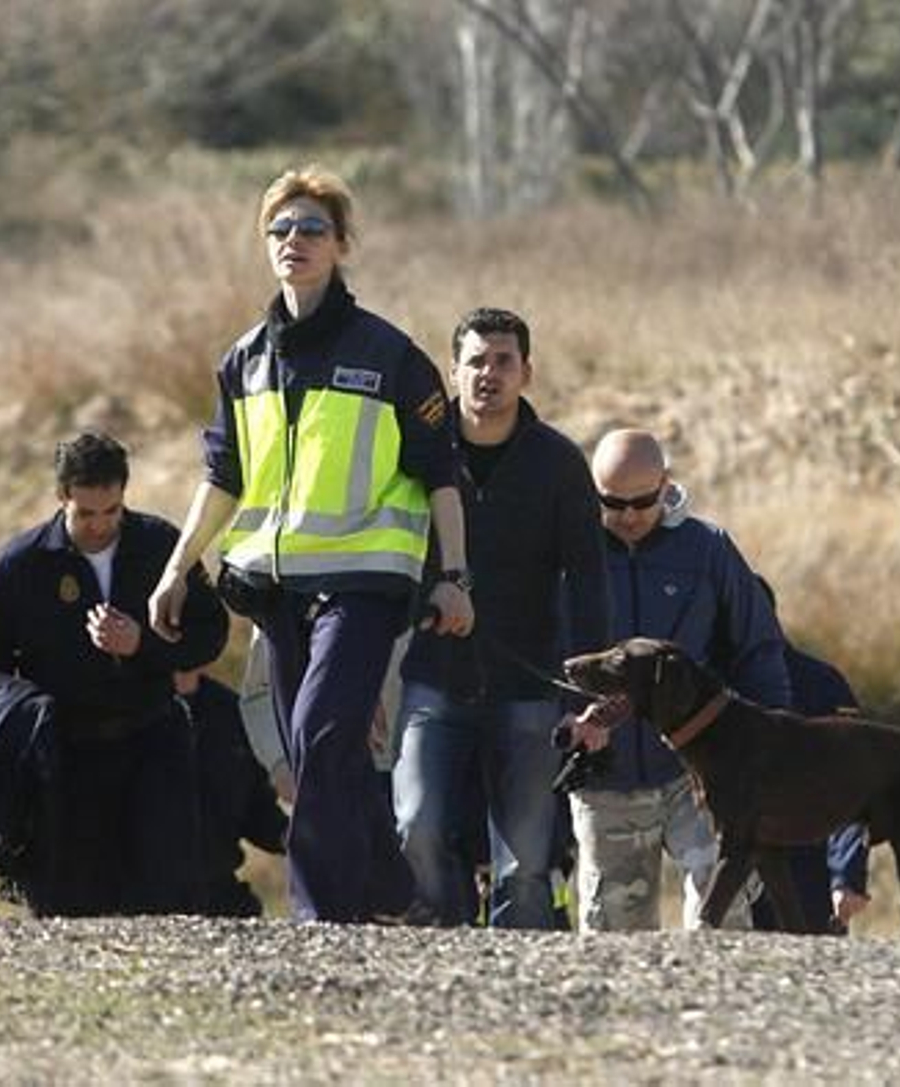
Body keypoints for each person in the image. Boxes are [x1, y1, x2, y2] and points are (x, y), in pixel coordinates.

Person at [148, 165, 474, 924]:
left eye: (311, 228)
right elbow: (223, 476)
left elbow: (441, 474)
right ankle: (394, 894)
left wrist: (453, 576)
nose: (294, 240)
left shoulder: (390, 354)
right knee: (312, 752)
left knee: (324, 731)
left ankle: (321, 918)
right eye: (280, 229)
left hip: (367, 582)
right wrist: (176, 568)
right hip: (276, 588)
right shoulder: (243, 360)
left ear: (342, 245)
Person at [393, 307, 611, 929]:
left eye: (503, 361)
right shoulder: (416, 458)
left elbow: (589, 581)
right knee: (417, 826)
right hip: (432, 677)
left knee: (527, 863)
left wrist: (589, 696)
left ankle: (527, 995)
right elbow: (391, 561)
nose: (489, 374)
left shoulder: (559, 463)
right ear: (452, 372)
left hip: (530, 687)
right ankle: (441, 958)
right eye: (476, 362)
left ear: (526, 372)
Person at [0, 432, 229, 916]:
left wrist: (142, 646)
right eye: (85, 513)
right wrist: (27, 712)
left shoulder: (161, 547)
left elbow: (210, 634)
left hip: (152, 740)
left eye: (111, 511)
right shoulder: (22, 564)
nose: (99, 525)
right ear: (62, 496)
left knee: (169, 895)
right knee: (68, 908)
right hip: (66, 755)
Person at [565, 429, 791, 931]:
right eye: (612, 502)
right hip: (609, 778)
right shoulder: (571, 550)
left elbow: (758, 649)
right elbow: (548, 651)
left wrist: (771, 744)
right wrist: (567, 723)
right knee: (613, 937)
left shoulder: (708, 549)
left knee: (722, 917)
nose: (627, 515)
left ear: (666, 486)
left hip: (704, 774)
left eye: (642, 501)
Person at [746, 579, 871, 936]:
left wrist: (846, 874)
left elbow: (852, 785)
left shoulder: (820, 683)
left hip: (807, 872)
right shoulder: (702, 686)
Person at [174, 669, 289, 918]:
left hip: (221, 895)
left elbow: (257, 811)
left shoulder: (230, 710)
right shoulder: (134, 709)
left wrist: (302, 837)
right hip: (147, 898)